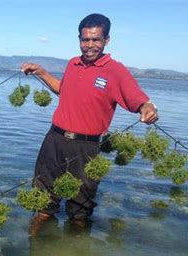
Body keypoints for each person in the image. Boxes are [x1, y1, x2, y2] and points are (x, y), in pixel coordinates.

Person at [21, 13, 158, 225]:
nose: (90, 45)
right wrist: (40, 71)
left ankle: (77, 246)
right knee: (42, 200)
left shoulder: (116, 71)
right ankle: (36, 242)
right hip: (54, 140)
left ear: (106, 40)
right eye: (85, 40)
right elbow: (62, 90)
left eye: (96, 40)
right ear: (79, 39)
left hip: (86, 147)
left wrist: (148, 108)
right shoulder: (73, 64)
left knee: (80, 208)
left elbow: (139, 100)